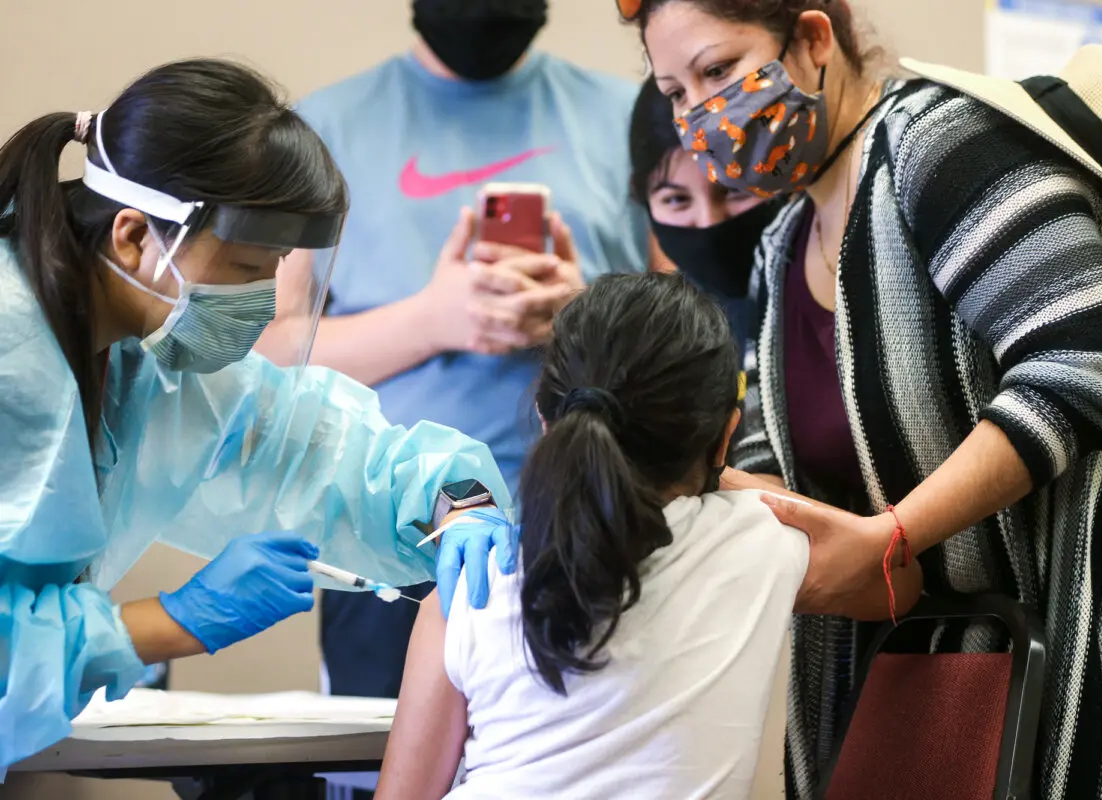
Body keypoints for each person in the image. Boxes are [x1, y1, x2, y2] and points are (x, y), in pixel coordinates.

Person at [623, 1, 1102, 798]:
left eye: (719, 70)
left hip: (1083, 633)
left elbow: (1084, 362)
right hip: (935, 672)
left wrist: (891, 537)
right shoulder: (781, 243)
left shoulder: (944, 147)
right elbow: (768, 450)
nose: (700, 113)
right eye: (675, 91)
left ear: (815, 39)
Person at [0, 58, 514, 775]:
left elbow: (316, 450)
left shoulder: (150, 362)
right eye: (246, 270)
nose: (264, 302)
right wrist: (177, 620)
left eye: (276, 268)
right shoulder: (11, 350)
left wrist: (458, 501)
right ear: (133, 236)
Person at [260, 0, 648, 776]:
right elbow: (267, 354)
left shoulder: (633, 116)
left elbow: (691, 332)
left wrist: (585, 317)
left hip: (593, 535)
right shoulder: (320, 130)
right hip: (389, 550)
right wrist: (433, 320)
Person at [372, 273, 921, 800]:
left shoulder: (470, 584)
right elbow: (897, 575)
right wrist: (731, 476)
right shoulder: (755, 539)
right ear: (724, 432)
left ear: (546, 419)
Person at [629, 76, 786, 351]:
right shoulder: (660, 343)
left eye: (735, 189)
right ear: (643, 198)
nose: (709, 222)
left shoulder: (835, 299)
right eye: (676, 199)